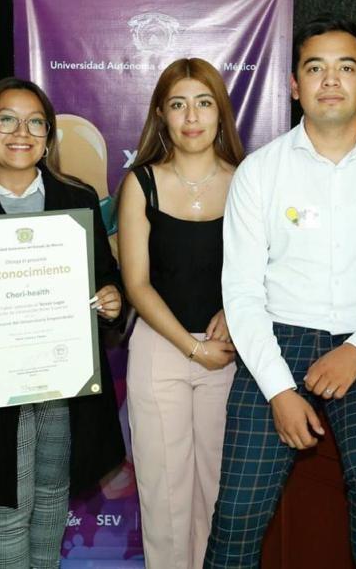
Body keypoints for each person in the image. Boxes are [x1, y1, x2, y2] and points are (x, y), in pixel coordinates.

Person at [205, 15, 356, 567]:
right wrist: (281, 391)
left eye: (345, 67)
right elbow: (240, 290)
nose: (331, 80)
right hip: (274, 341)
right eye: (315, 67)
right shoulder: (259, 172)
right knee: (237, 508)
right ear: (293, 84)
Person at [0, 77, 126, 569]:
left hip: (62, 383)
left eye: (35, 122)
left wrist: (111, 299)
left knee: (52, 503)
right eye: (6, 119)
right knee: (5, 512)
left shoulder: (77, 199)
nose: (21, 132)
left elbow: (107, 279)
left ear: (48, 137)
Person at [117, 58, 245, 568]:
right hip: (160, 349)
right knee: (165, 498)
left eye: (204, 102)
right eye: (178, 104)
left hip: (230, 353)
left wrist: (234, 316)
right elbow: (137, 284)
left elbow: (266, 270)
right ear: (161, 115)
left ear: (220, 113)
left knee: (219, 496)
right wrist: (191, 347)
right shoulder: (140, 183)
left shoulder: (248, 181)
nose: (191, 116)